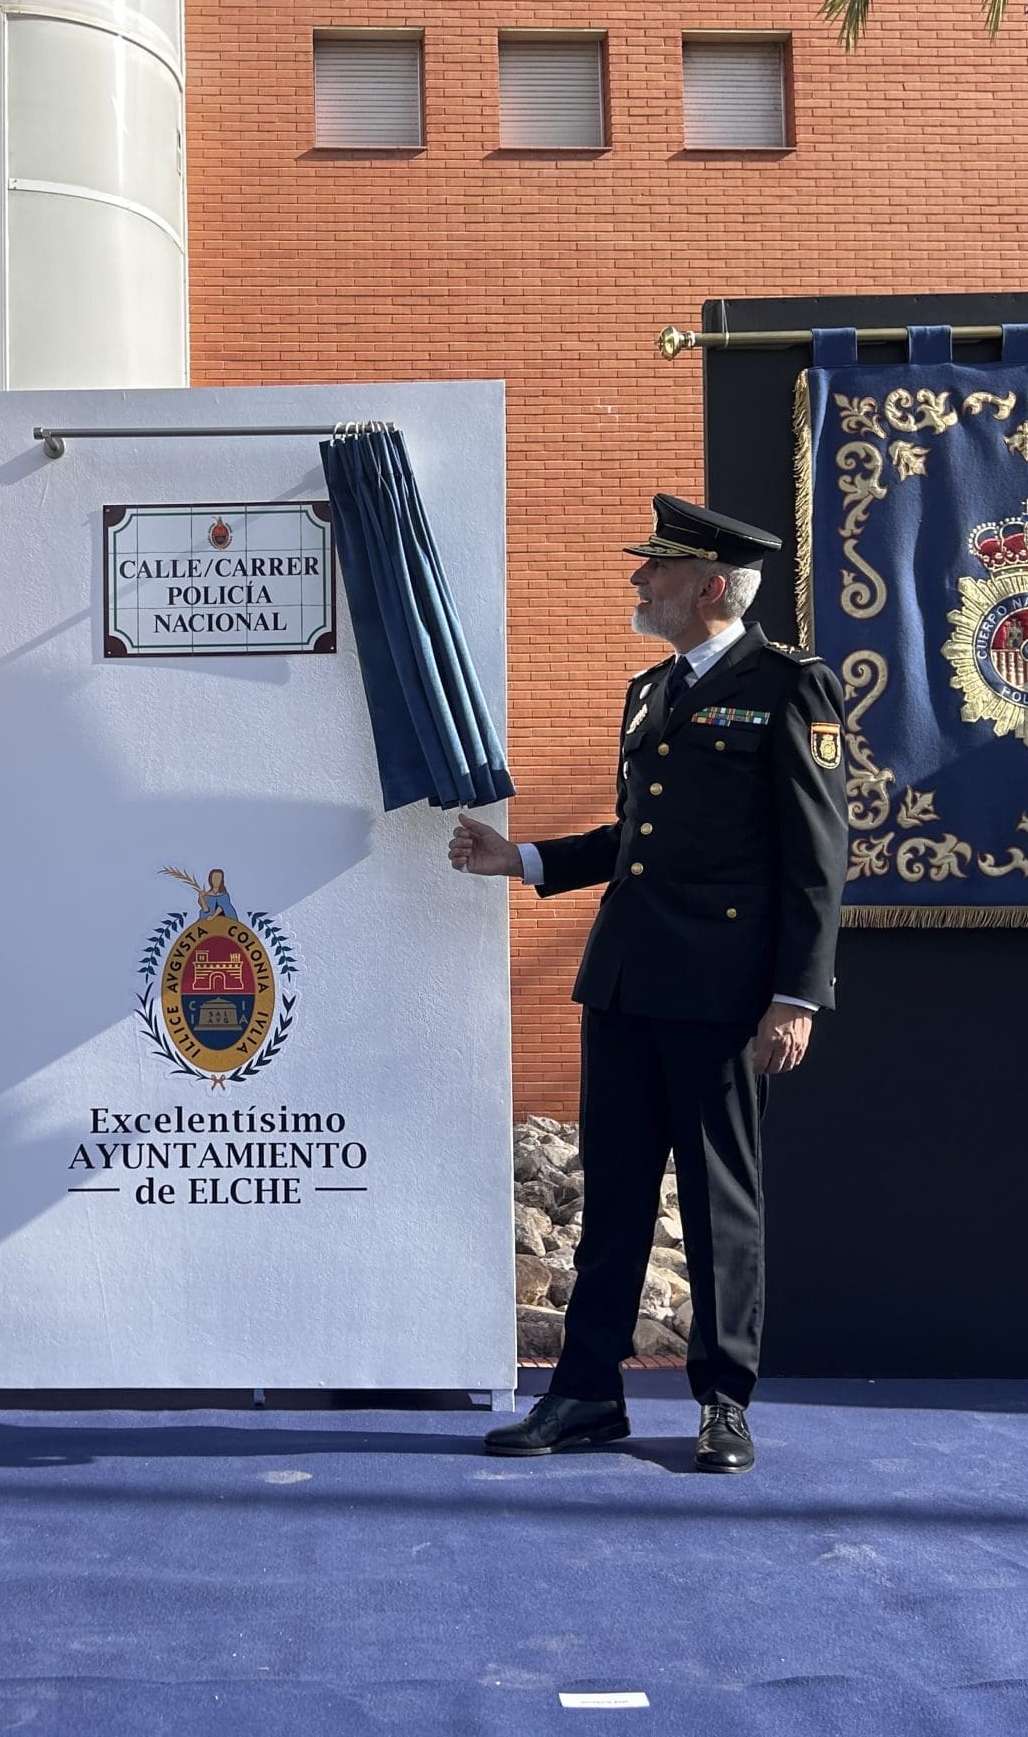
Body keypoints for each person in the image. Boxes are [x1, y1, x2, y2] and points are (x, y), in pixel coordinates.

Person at [449, 494, 844, 1472]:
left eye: (655, 569)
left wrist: (795, 996)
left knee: (718, 1206)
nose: (638, 580)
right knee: (615, 1198)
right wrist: (522, 860)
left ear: (708, 587)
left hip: (722, 993)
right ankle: (586, 1393)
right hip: (625, 980)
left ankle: (723, 1402)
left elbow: (816, 857)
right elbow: (636, 837)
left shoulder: (789, 687)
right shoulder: (649, 690)